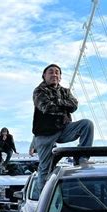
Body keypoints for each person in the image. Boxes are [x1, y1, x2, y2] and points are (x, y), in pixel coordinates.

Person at [33, 63, 94, 191]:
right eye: (50, 72)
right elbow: (46, 107)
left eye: (57, 72)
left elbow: (74, 105)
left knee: (86, 124)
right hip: (45, 133)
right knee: (45, 169)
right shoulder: (39, 91)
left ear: (60, 77)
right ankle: (42, 200)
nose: (54, 74)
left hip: (63, 129)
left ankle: (82, 158)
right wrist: (64, 109)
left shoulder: (65, 91)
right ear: (44, 76)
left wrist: (59, 104)